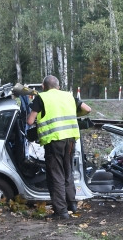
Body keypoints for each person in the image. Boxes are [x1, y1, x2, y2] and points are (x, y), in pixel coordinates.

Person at [26, 75, 91, 219]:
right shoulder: (68, 96)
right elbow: (87, 109)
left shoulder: (42, 98)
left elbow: (30, 121)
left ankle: (61, 212)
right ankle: (72, 205)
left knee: (56, 176)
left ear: (43, 87)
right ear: (58, 86)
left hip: (54, 141)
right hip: (70, 140)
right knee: (67, 172)